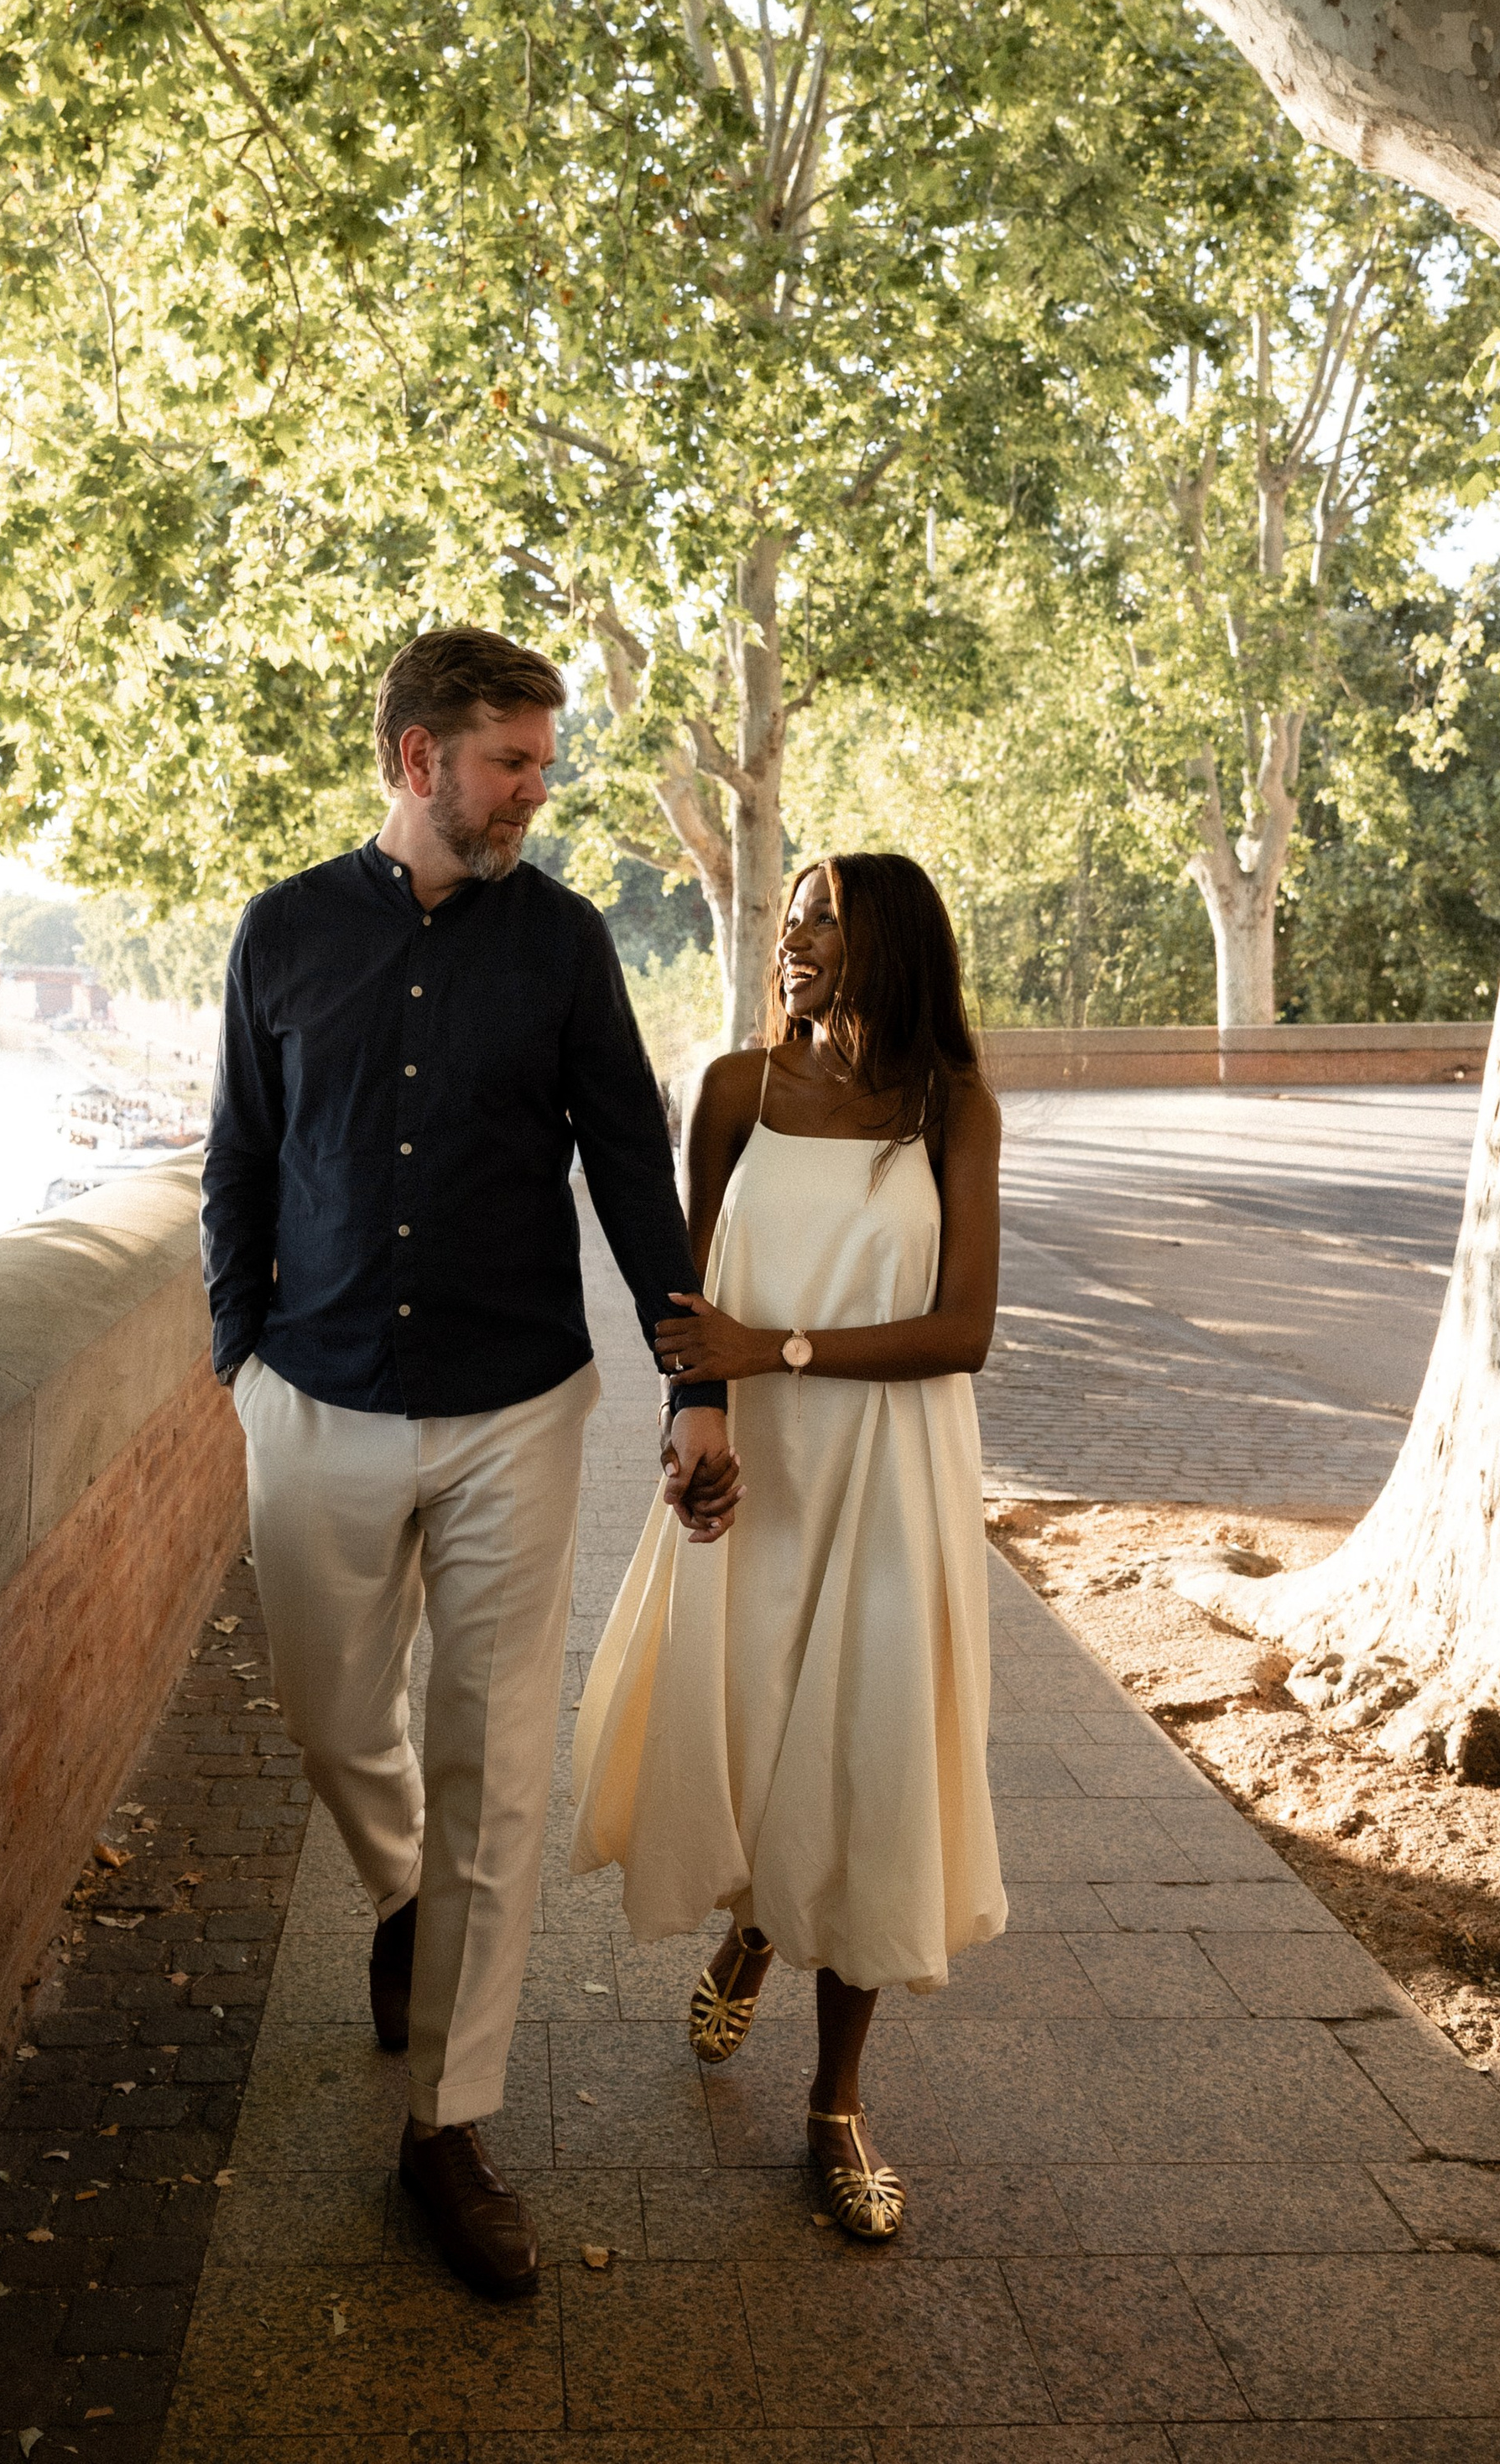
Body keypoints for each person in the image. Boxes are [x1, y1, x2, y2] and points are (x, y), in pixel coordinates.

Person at [200, 625, 694, 2300]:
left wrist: (689, 1383)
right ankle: (403, 1888)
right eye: (510, 763)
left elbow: (631, 1156)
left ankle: (448, 2123)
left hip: (511, 1407)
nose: (533, 793)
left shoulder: (559, 946)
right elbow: (238, 1162)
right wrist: (235, 1361)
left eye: (540, 764)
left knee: (498, 1754)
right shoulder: (280, 931)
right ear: (416, 758)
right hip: (315, 1393)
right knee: (337, 1717)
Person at [570, 851, 1005, 2241]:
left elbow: (965, 1332)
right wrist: (688, 1419)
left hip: (893, 1475)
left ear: (892, 945)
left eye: (827, 915)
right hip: (753, 1474)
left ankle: (835, 2103)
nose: (795, 935)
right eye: (794, 912)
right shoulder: (736, 1093)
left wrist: (783, 1348)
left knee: (871, 1759)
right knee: (754, 1728)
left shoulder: (950, 1107)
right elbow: (685, 1309)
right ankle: (755, 1918)